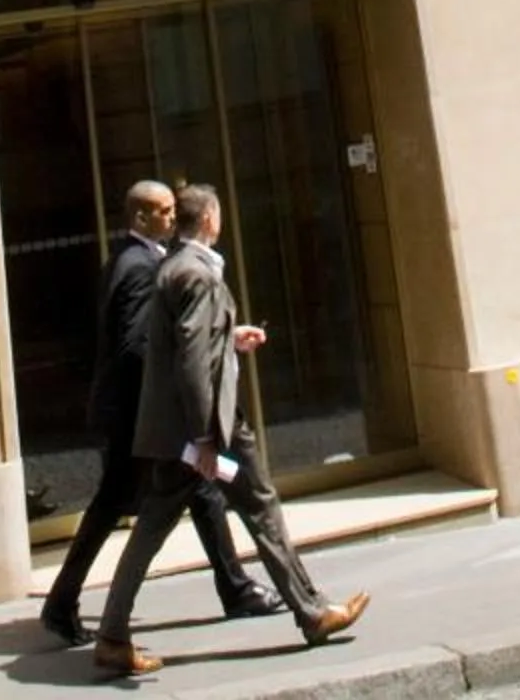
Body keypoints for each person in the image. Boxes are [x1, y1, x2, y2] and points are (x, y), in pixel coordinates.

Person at [93, 183, 369, 679]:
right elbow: (191, 360)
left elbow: (187, 344)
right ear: (210, 220)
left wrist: (230, 338)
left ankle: (112, 635)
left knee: (155, 525)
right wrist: (204, 439)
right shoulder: (196, 274)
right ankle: (312, 612)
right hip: (210, 429)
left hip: (180, 430)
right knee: (260, 505)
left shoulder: (176, 267)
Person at [41, 180, 278, 648]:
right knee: (130, 502)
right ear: (141, 217)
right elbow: (137, 347)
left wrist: (224, 339)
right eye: (165, 211)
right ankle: (66, 604)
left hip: (130, 413)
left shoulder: (131, 260)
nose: (173, 218)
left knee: (195, 492)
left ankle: (233, 586)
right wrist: (169, 400)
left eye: (173, 210)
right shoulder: (140, 267)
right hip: (136, 416)